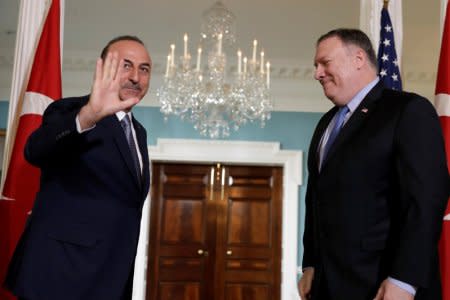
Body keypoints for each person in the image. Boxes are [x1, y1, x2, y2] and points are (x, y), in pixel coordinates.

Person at [298, 28, 449, 300]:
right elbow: (315, 199)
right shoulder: (326, 124)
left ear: (358, 59)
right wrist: (310, 262)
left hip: (383, 284)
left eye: (325, 63)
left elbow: (426, 201)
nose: (317, 73)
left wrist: (405, 280)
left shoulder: (408, 111)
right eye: (315, 66)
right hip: (326, 284)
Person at [4, 35, 152, 300]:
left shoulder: (138, 132)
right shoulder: (72, 110)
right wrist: (89, 115)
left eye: (144, 69)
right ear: (103, 68)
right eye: (126, 65)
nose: (135, 77)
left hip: (110, 278)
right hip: (60, 275)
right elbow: (35, 150)